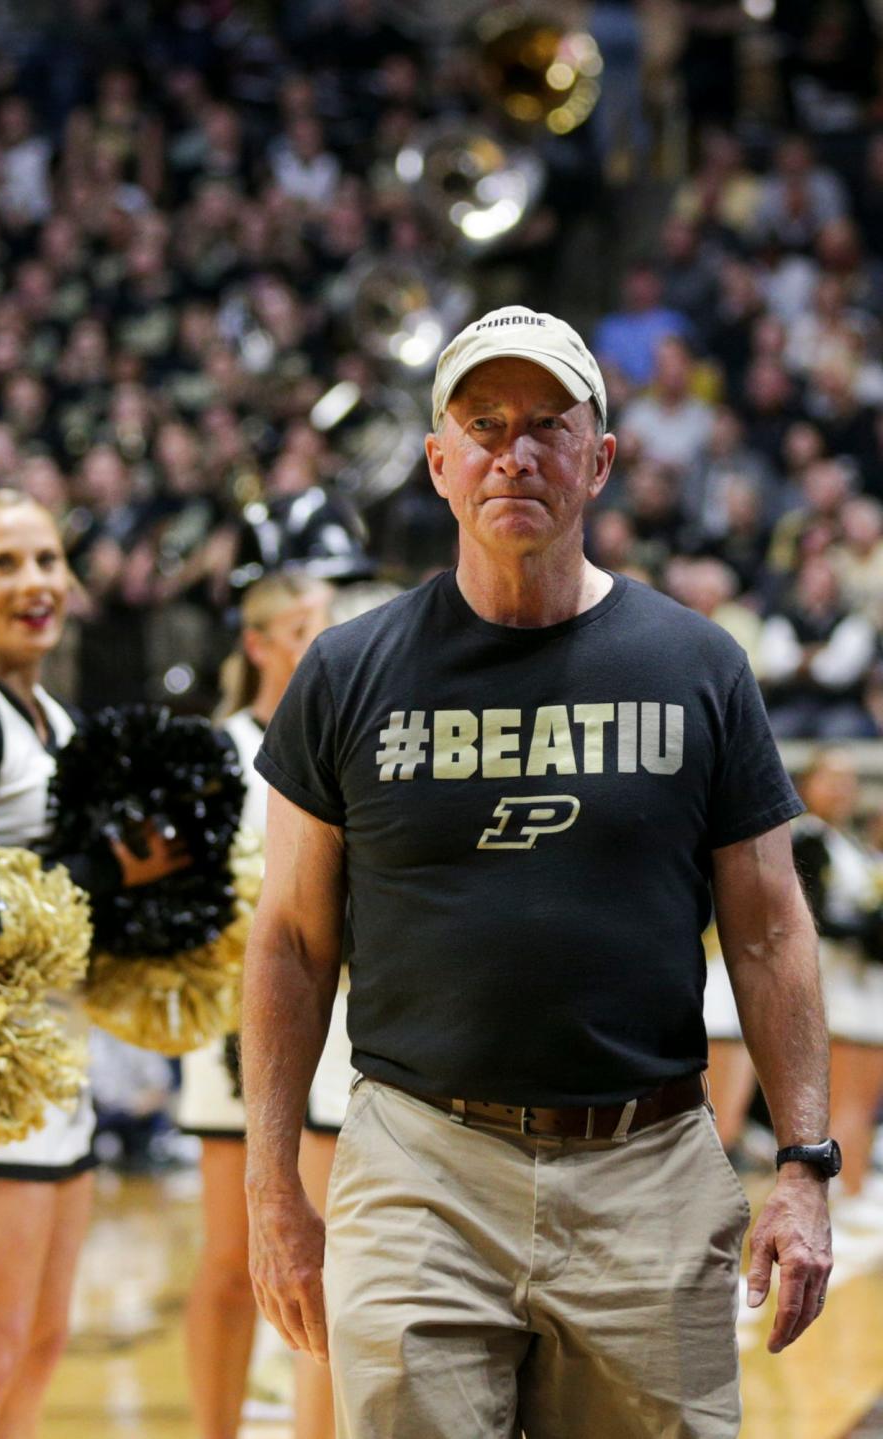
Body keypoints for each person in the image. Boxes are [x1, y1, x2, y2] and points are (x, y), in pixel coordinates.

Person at [241, 305, 837, 1439]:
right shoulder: (347, 671)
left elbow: (769, 932)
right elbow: (292, 941)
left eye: (549, 425)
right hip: (420, 1164)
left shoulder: (699, 667)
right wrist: (272, 1187)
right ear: (438, 460)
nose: (515, 450)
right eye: (484, 423)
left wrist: (805, 1161)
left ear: (600, 458)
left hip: (649, 1168)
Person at [0, 488, 184, 1439]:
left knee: (36, 1346)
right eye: (3, 563)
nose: (33, 581)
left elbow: (68, 899)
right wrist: (117, 862)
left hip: (57, 1068)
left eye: (45, 560)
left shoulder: (53, 717)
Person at [177, 569, 338, 1439]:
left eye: (326, 622)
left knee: (323, 1251)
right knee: (231, 1257)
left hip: (338, 1021)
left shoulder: (341, 736)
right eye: (302, 624)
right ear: (258, 641)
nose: (318, 637)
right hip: (230, 1027)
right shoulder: (216, 752)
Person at [792, 749, 883, 1219]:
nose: (843, 789)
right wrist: (870, 926)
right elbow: (819, 916)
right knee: (843, 1093)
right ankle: (836, 1196)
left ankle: (856, 1183)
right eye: (832, 779)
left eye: (850, 781)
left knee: (866, 1094)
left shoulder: (849, 843)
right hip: (833, 982)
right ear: (807, 785)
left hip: (865, 986)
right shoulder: (807, 839)